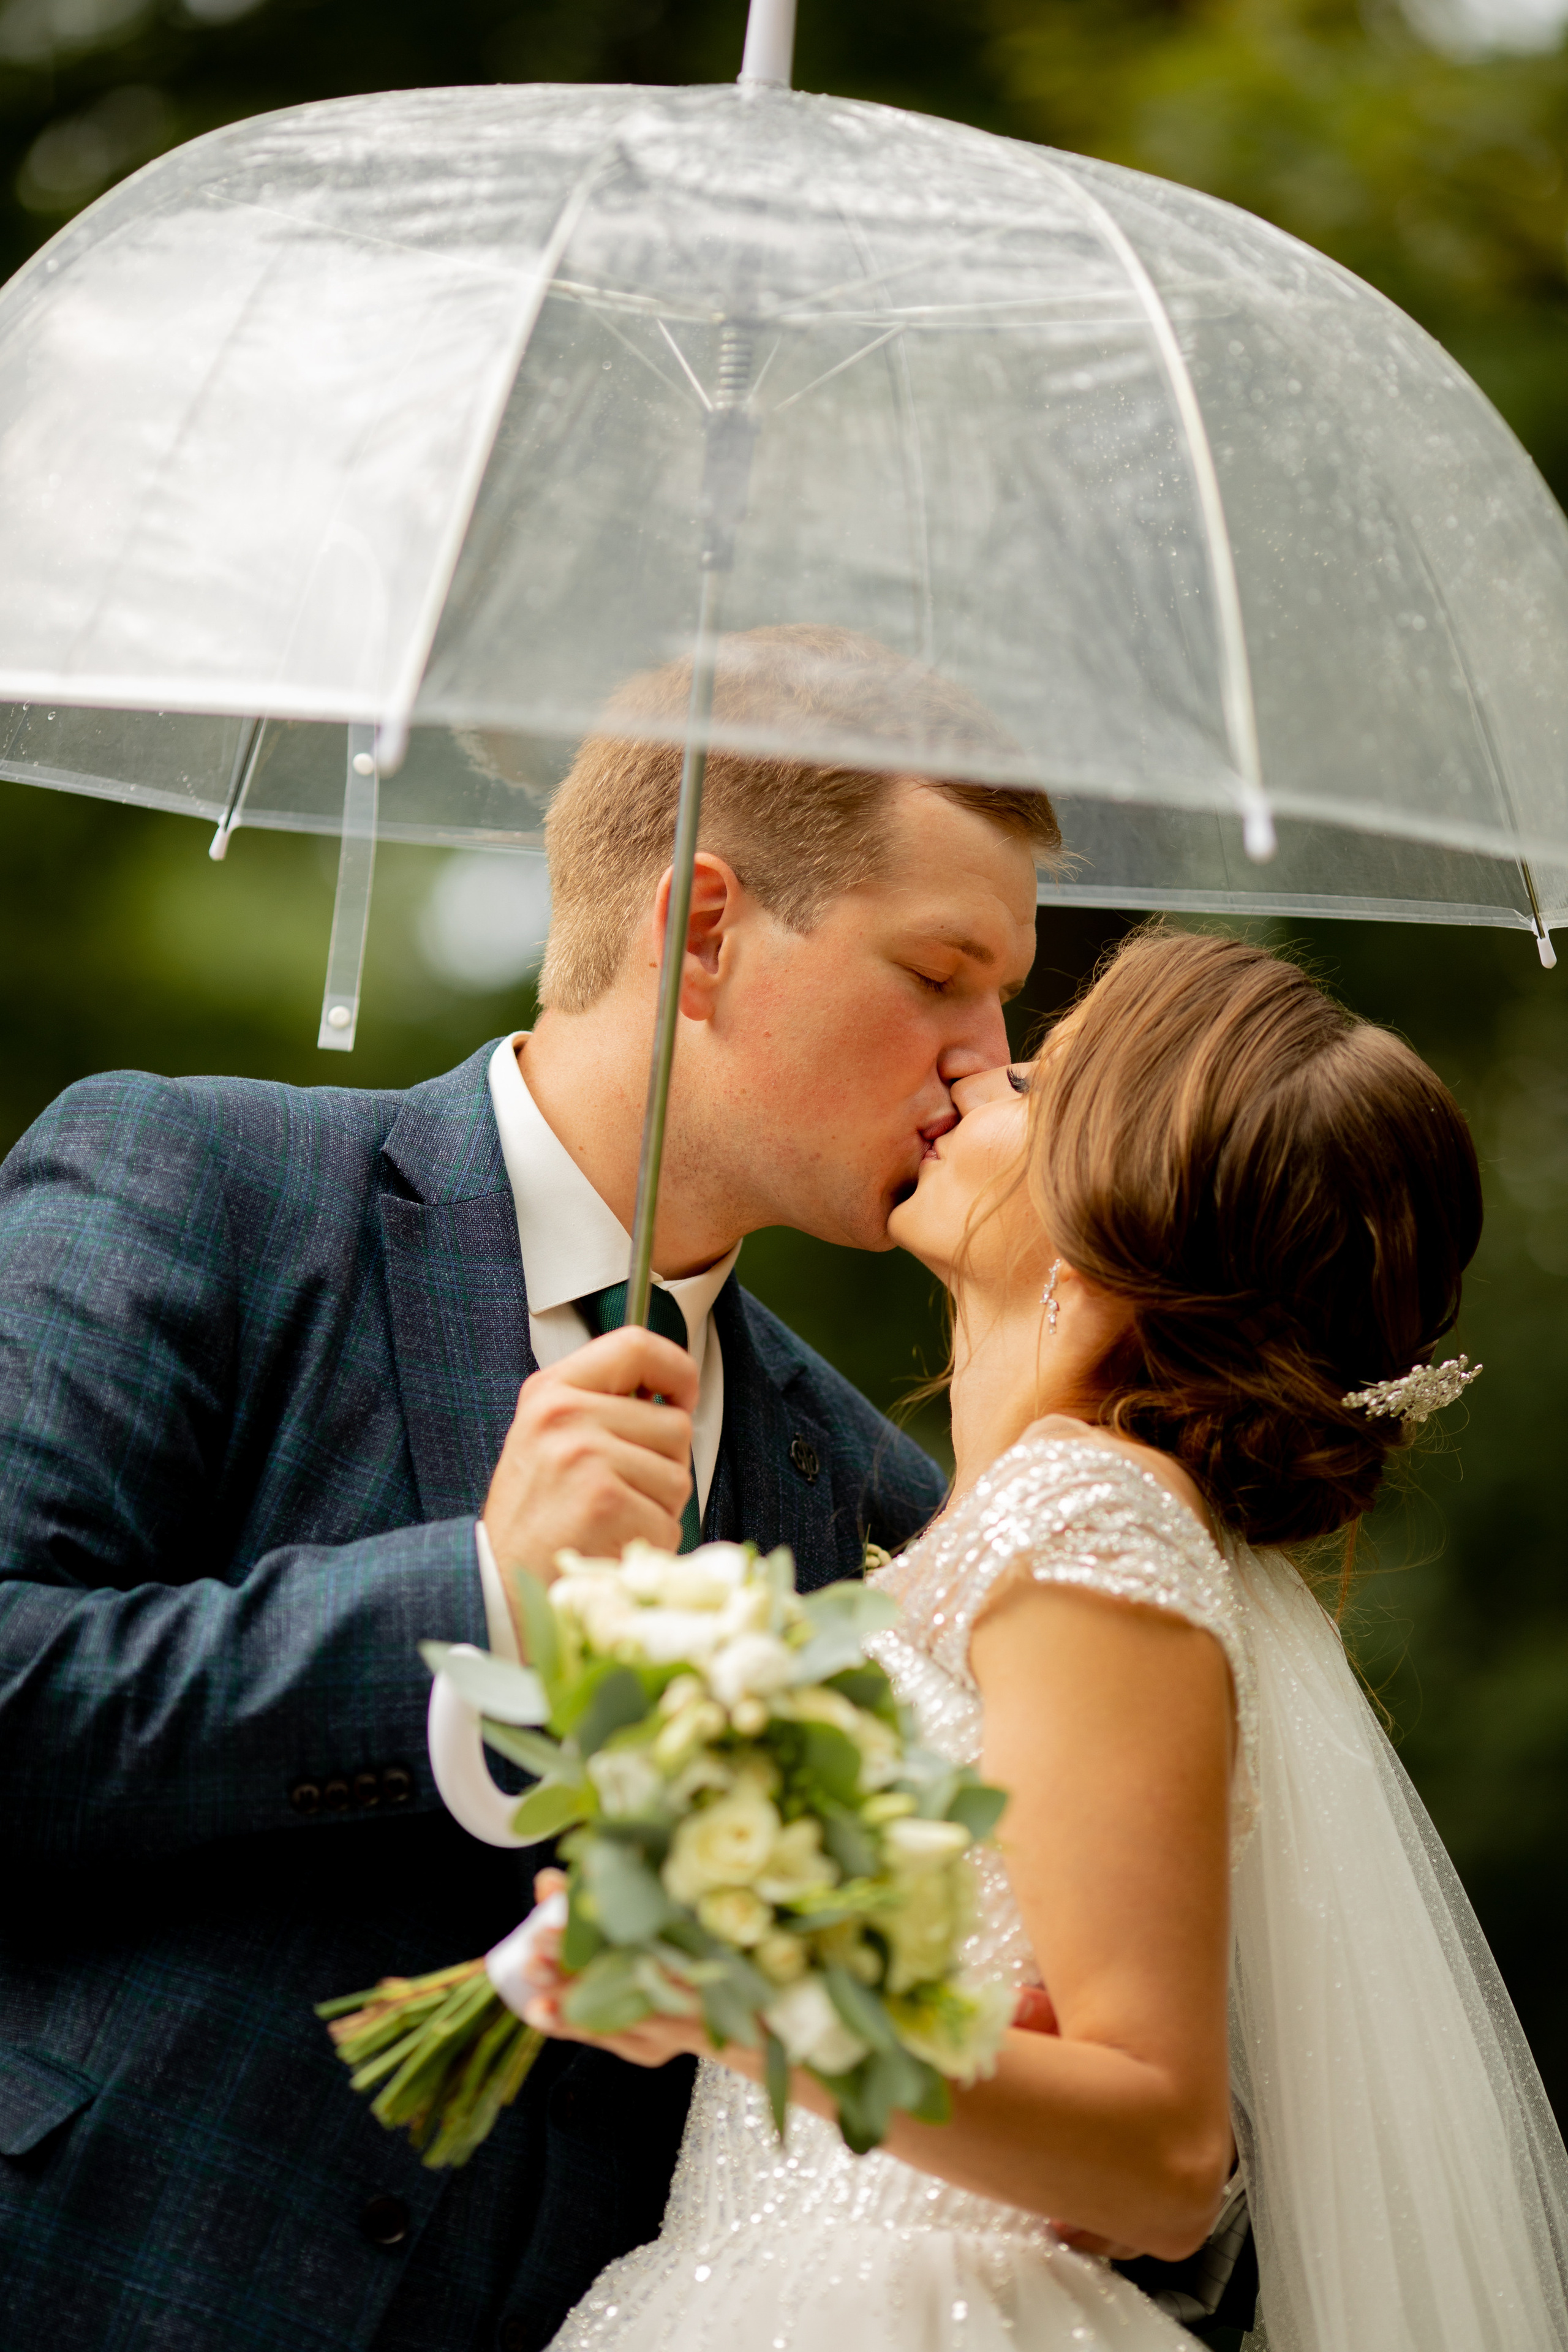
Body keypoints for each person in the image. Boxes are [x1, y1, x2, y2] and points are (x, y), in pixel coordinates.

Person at [0, 628, 1055, 2352]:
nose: (987, 1061)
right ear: (702, 930)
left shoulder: (864, 1486)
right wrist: (474, 1597)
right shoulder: (193, 1177)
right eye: (941, 970)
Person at [516, 925, 1568, 2352]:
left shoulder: (1086, 1518)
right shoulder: (990, 1528)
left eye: (1040, 1080)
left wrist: (746, 1997)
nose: (980, 1073)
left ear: (1110, 1215)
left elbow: (1163, 2157)